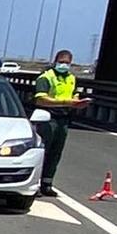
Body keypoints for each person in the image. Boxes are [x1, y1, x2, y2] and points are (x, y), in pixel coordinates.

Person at [29, 49, 85, 197]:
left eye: (67, 63)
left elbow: (74, 93)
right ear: (55, 61)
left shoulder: (71, 78)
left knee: (56, 152)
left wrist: (77, 101)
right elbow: (40, 99)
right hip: (48, 118)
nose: (64, 65)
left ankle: (47, 184)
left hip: (64, 119)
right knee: (43, 151)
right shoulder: (46, 77)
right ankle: (35, 184)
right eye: (62, 62)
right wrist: (66, 102)